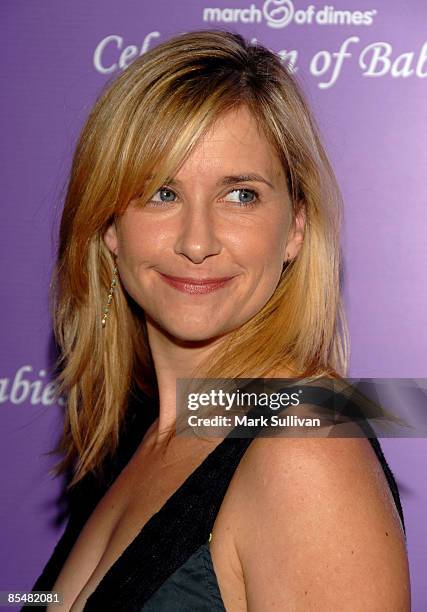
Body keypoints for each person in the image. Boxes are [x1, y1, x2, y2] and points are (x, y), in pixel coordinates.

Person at [25, 29, 410, 611]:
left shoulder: (303, 448)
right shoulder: (141, 438)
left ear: (296, 228)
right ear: (109, 227)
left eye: (241, 195)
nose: (197, 242)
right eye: (160, 193)